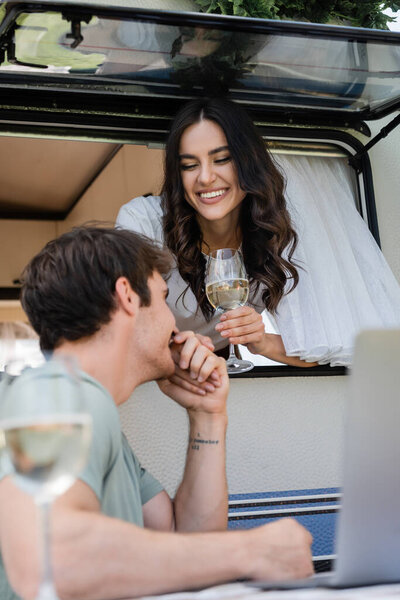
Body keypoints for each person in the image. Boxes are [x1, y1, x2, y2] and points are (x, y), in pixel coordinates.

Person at [0, 226, 313, 600]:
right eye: (165, 300)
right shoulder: (54, 392)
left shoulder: (91, 416)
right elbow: (48, 561)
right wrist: (250, 552)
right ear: (127, 297)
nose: (174, 323)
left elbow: (187, 543)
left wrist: (207, 415)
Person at [117, 97, 316, 367]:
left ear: (249, 164)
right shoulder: (143, 221)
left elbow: (320, 348)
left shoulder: (275, 232)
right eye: (189, 165)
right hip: (152, 367)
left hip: (214, 366)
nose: (206, 177)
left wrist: (262, 341)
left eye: (221, 159)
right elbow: (128, 322)